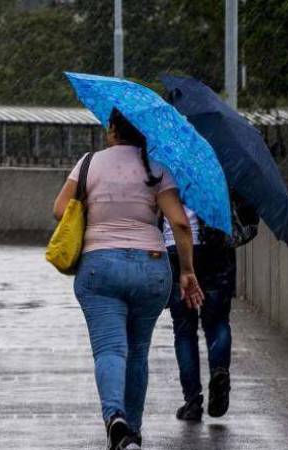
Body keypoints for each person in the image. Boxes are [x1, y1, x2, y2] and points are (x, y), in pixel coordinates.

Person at [52, 110, 202, 450]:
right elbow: (180, 224)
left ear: (113, 130)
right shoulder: (157, 169)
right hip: (151, 268)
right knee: (137, 352)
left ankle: (115, 419)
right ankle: (131, 433)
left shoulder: (89, 163)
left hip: (99, 266)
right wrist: (187, 271)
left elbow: (60, 209)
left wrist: (97, 208)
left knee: (110, 349)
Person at [162, 199, 246, 421]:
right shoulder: (217, 166)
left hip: (175, 248)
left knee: (184, 330)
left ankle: (192, 401)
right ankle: (219, 371)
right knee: (218, 321)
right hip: (215, 245)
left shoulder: (162, 166)